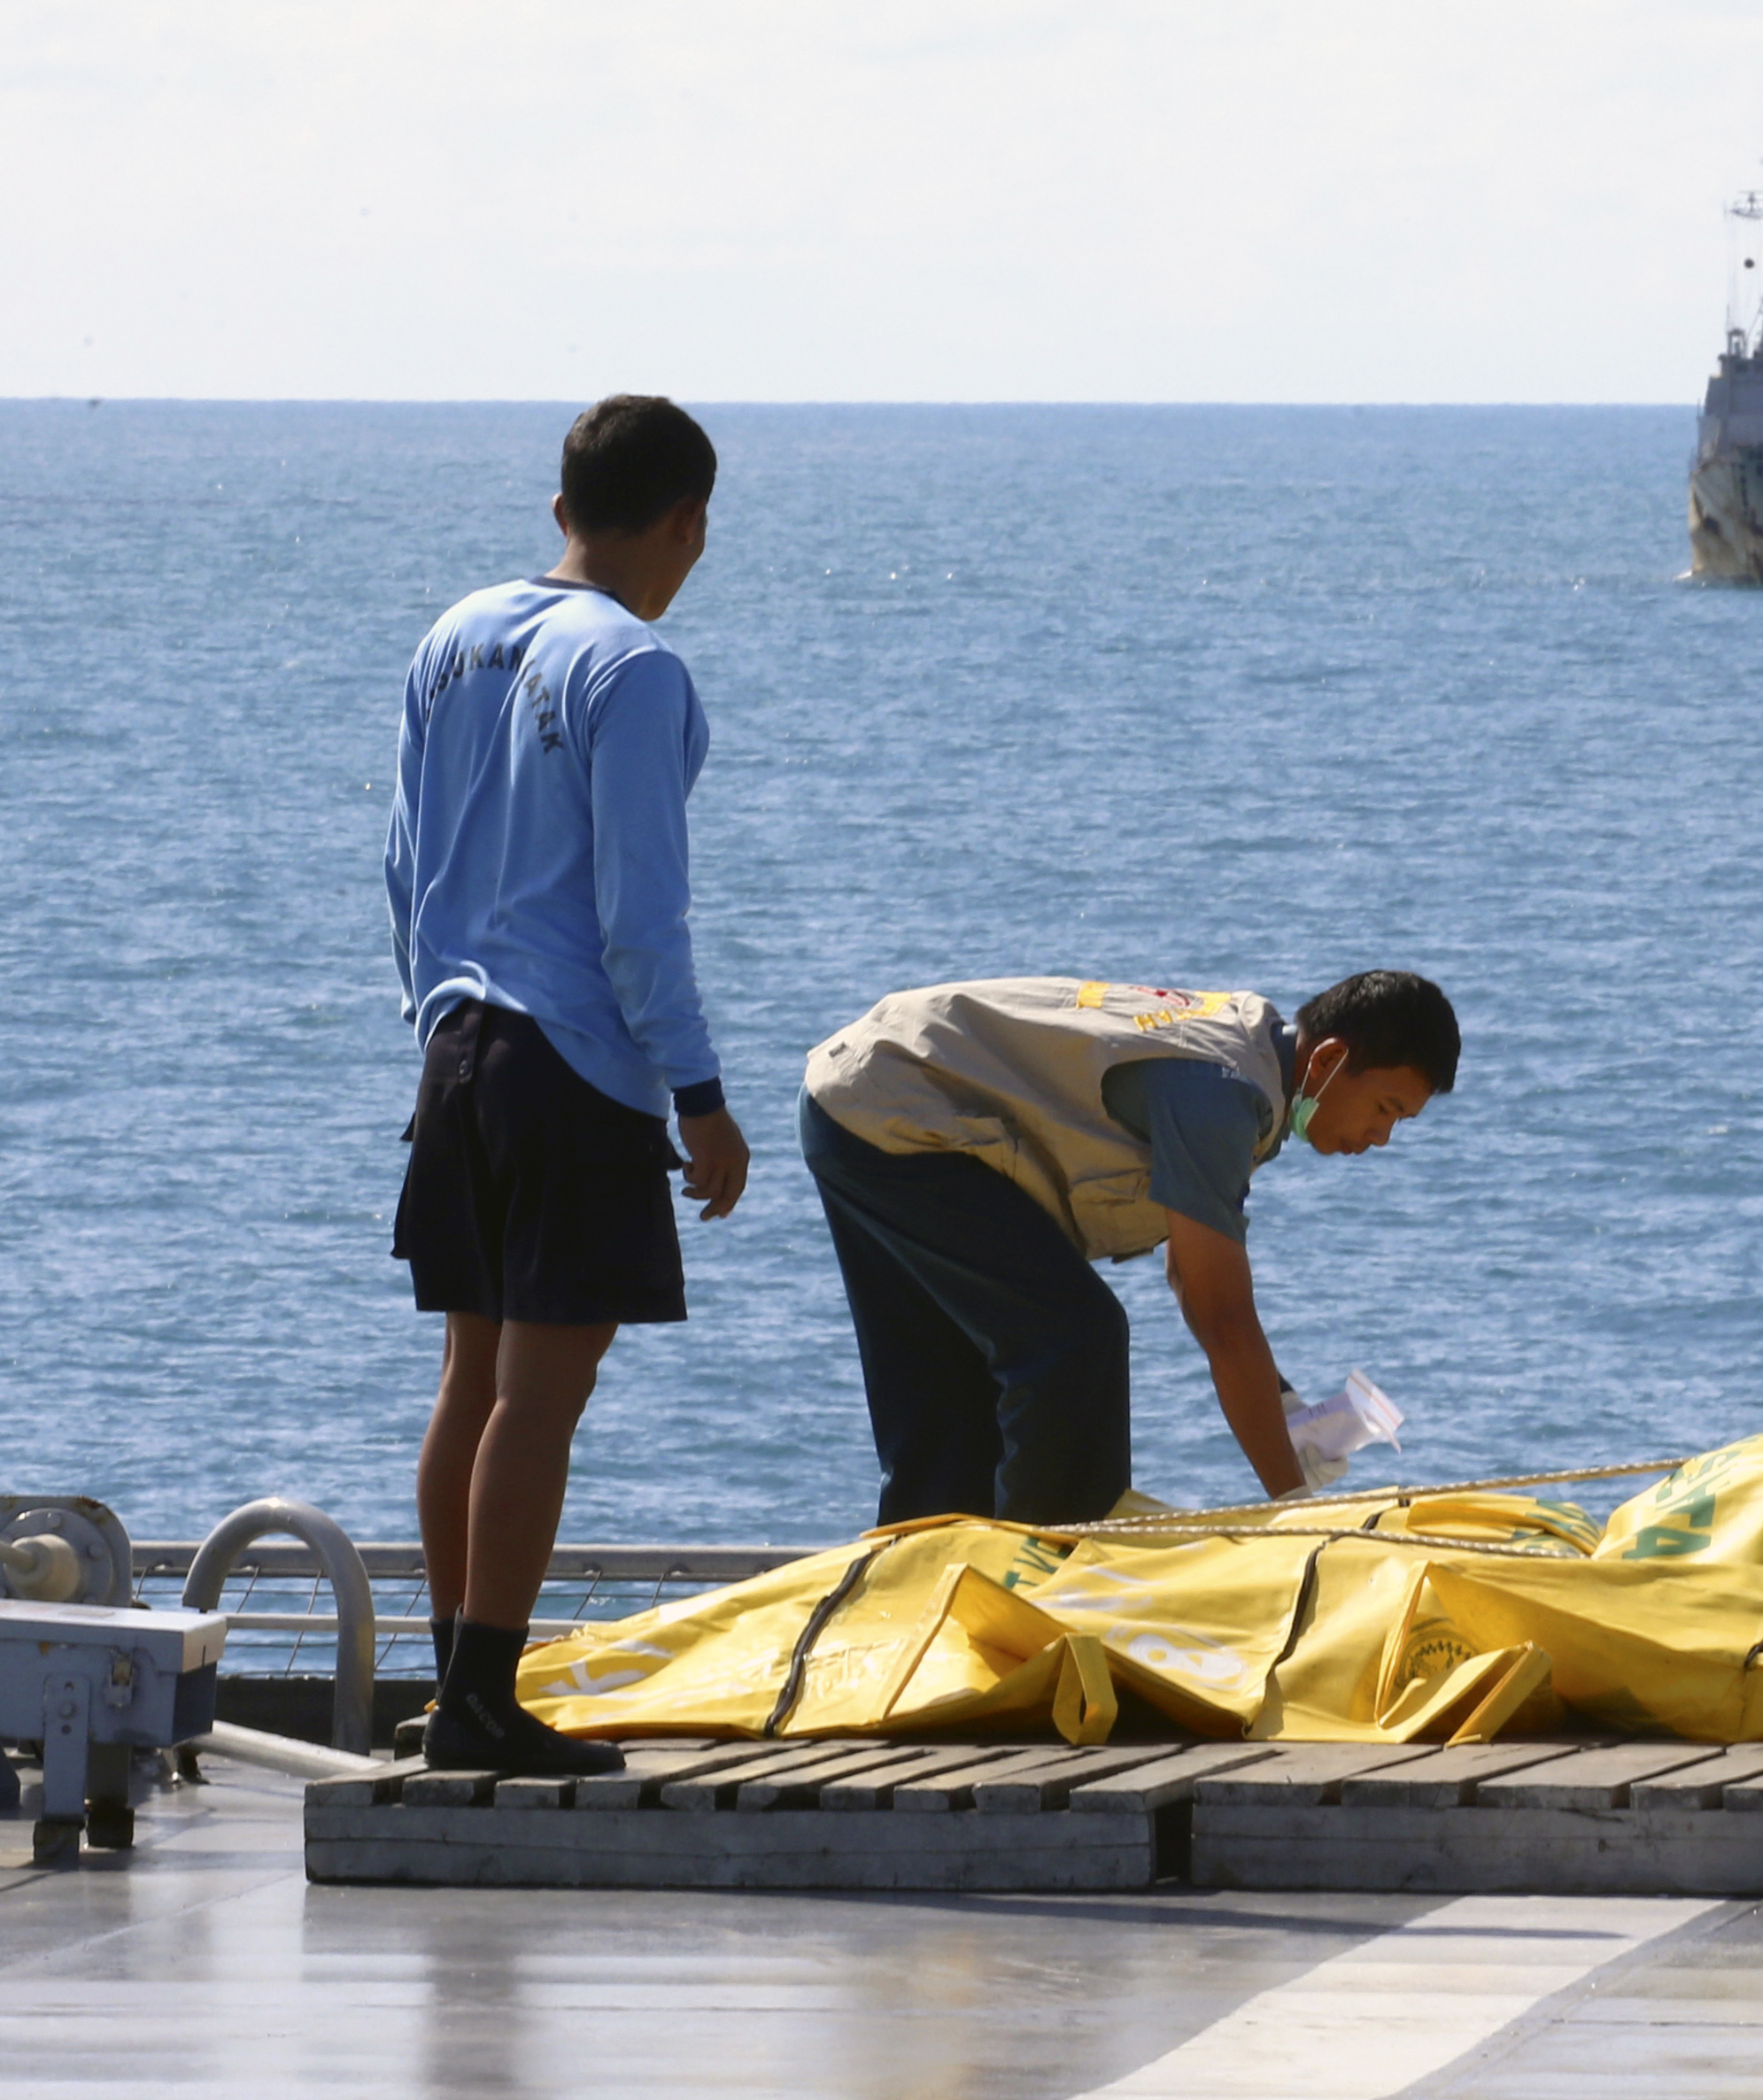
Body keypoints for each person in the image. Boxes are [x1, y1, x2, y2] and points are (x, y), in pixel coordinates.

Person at [385, 396, 751, 1775]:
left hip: (457, 1048)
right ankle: (487, 1699)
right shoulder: (636, 670)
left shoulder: (453, 637)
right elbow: (638, 917)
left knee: (468, 1382)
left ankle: (451, 1687)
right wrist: (700, 1096)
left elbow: (403, 867)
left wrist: (435, 1022)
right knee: (539, 1397)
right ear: (687, 520)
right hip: (570, 1067)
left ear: (559, 510)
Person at [797, 971, 1459, 1525]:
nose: (1381, 1138)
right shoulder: (1222, 1098)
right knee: (1074, 1339)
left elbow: (1187, 1272)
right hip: (895, 1111)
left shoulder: (1253, 1065)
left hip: (860, 1102)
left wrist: (1285, 1410)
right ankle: (1049, 1574)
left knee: (952, 1398)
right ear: (1328, 1061)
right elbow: (1223, 1314)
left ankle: (921, 1587)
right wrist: (1296, 1508)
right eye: (1385, 1108)